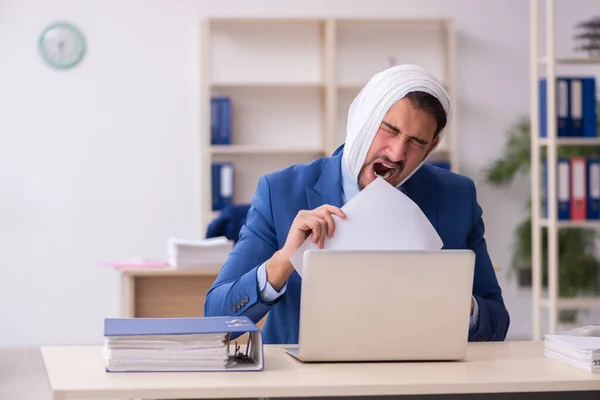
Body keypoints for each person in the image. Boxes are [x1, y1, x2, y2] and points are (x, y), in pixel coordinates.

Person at [204, 64, 510, 343]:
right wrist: (284, 261)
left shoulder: (457, 196)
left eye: (416, 142)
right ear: (364, 117)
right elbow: (215, 321)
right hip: (308, 386)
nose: (397, 153)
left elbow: (497, 321)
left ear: (432, 147)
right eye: (389, 129)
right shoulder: (281, 191)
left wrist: (460, 304)